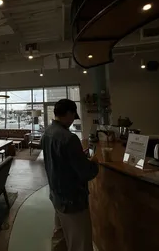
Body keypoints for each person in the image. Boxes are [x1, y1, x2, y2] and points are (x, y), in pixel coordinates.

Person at [41, 99, 99, 251]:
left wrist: (78, 155)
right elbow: (85, 172)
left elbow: (58, 160)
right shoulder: (69, 138)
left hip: (56, 196)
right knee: (80, 244)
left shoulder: (47, 132)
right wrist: (94, 162)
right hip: (73, 201)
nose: (73, 120)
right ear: (69, 113)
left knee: (60, 237)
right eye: (73, 116)